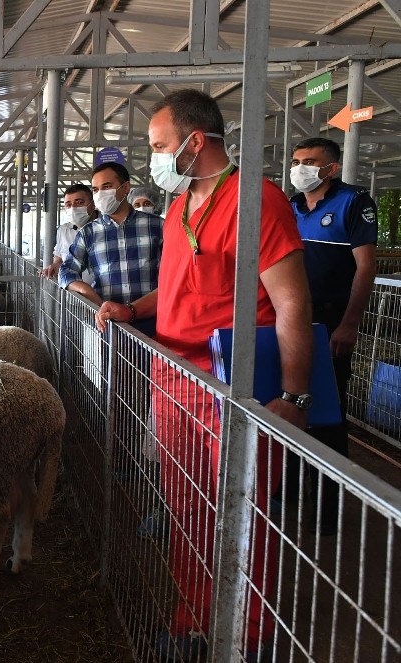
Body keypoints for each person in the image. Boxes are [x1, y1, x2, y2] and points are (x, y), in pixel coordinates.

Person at [95, 89, 312, 662]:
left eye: (158, 146)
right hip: (174, 379)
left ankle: (245, 636)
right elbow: (173, 289)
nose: (153, 159)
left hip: (232, 385)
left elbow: (291, 301)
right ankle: (193, 616)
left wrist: (294, 395)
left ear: (194, 142)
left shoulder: (256, 200)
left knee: (241, 509)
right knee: (187, 507)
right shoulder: (177, 208)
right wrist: (132, 310)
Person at [286, 136, 377, 535]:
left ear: (332, 168)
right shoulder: (290, 205)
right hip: (290, 319)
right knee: (288, 405)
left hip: (331, 322)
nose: (300, 168)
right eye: (296, 161)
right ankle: (288, 492)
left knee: (327, 414)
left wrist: (350, 323)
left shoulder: (353, 202)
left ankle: (327, 510)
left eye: (309, 161)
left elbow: (366, 266)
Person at [59, 162, 163, 337]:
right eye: (95, 189)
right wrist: (86, 291)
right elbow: (66, 271)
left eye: (106, 186)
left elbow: (175, 275)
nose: (100, 194)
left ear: (126, 187)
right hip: (107, 325)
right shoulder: (89, 232)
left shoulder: (157, 226)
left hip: (151, 323)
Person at [40, 184, 96, 283]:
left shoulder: (108, 227)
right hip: (72, 290)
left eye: (80, 202)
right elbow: (59, 258)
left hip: (104, 291)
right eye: (68, 205)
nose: (73, 208)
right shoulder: (63, 230)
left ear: (93, 203)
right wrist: (55, 266)